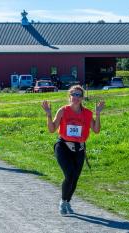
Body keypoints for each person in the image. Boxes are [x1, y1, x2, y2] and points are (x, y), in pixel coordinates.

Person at [41, 85, 105, 215]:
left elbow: (96, 130)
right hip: (63, 147)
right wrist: (48, 115)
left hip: (79, 149)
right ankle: (63, 201)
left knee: (75, 178)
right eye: (74, 95)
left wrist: (98, 114)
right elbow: (52, 129)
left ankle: (67, 202)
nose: (76, 97)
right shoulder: (63, 111)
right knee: (69, 175)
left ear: (82, 98)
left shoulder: (87, 113)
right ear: (69, 96)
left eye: (79, 95)